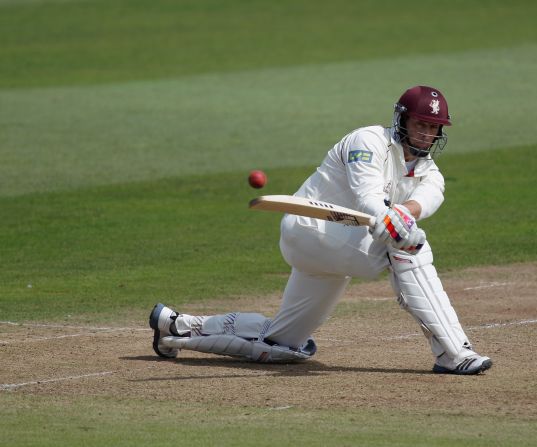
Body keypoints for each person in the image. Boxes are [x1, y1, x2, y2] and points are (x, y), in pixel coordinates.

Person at [149, 85, 492, 375]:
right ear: (402, 120)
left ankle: (176, 326)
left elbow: (425, 200)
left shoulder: (431, 173)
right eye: (421, 124)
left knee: (285, 344)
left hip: (341, 249)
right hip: (310, 229)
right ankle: (453, 353)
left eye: (434, 128)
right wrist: (394, 224)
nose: (427, 134)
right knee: (408, 248)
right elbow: (368, 197)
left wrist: (403, 217)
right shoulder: (367, 141)